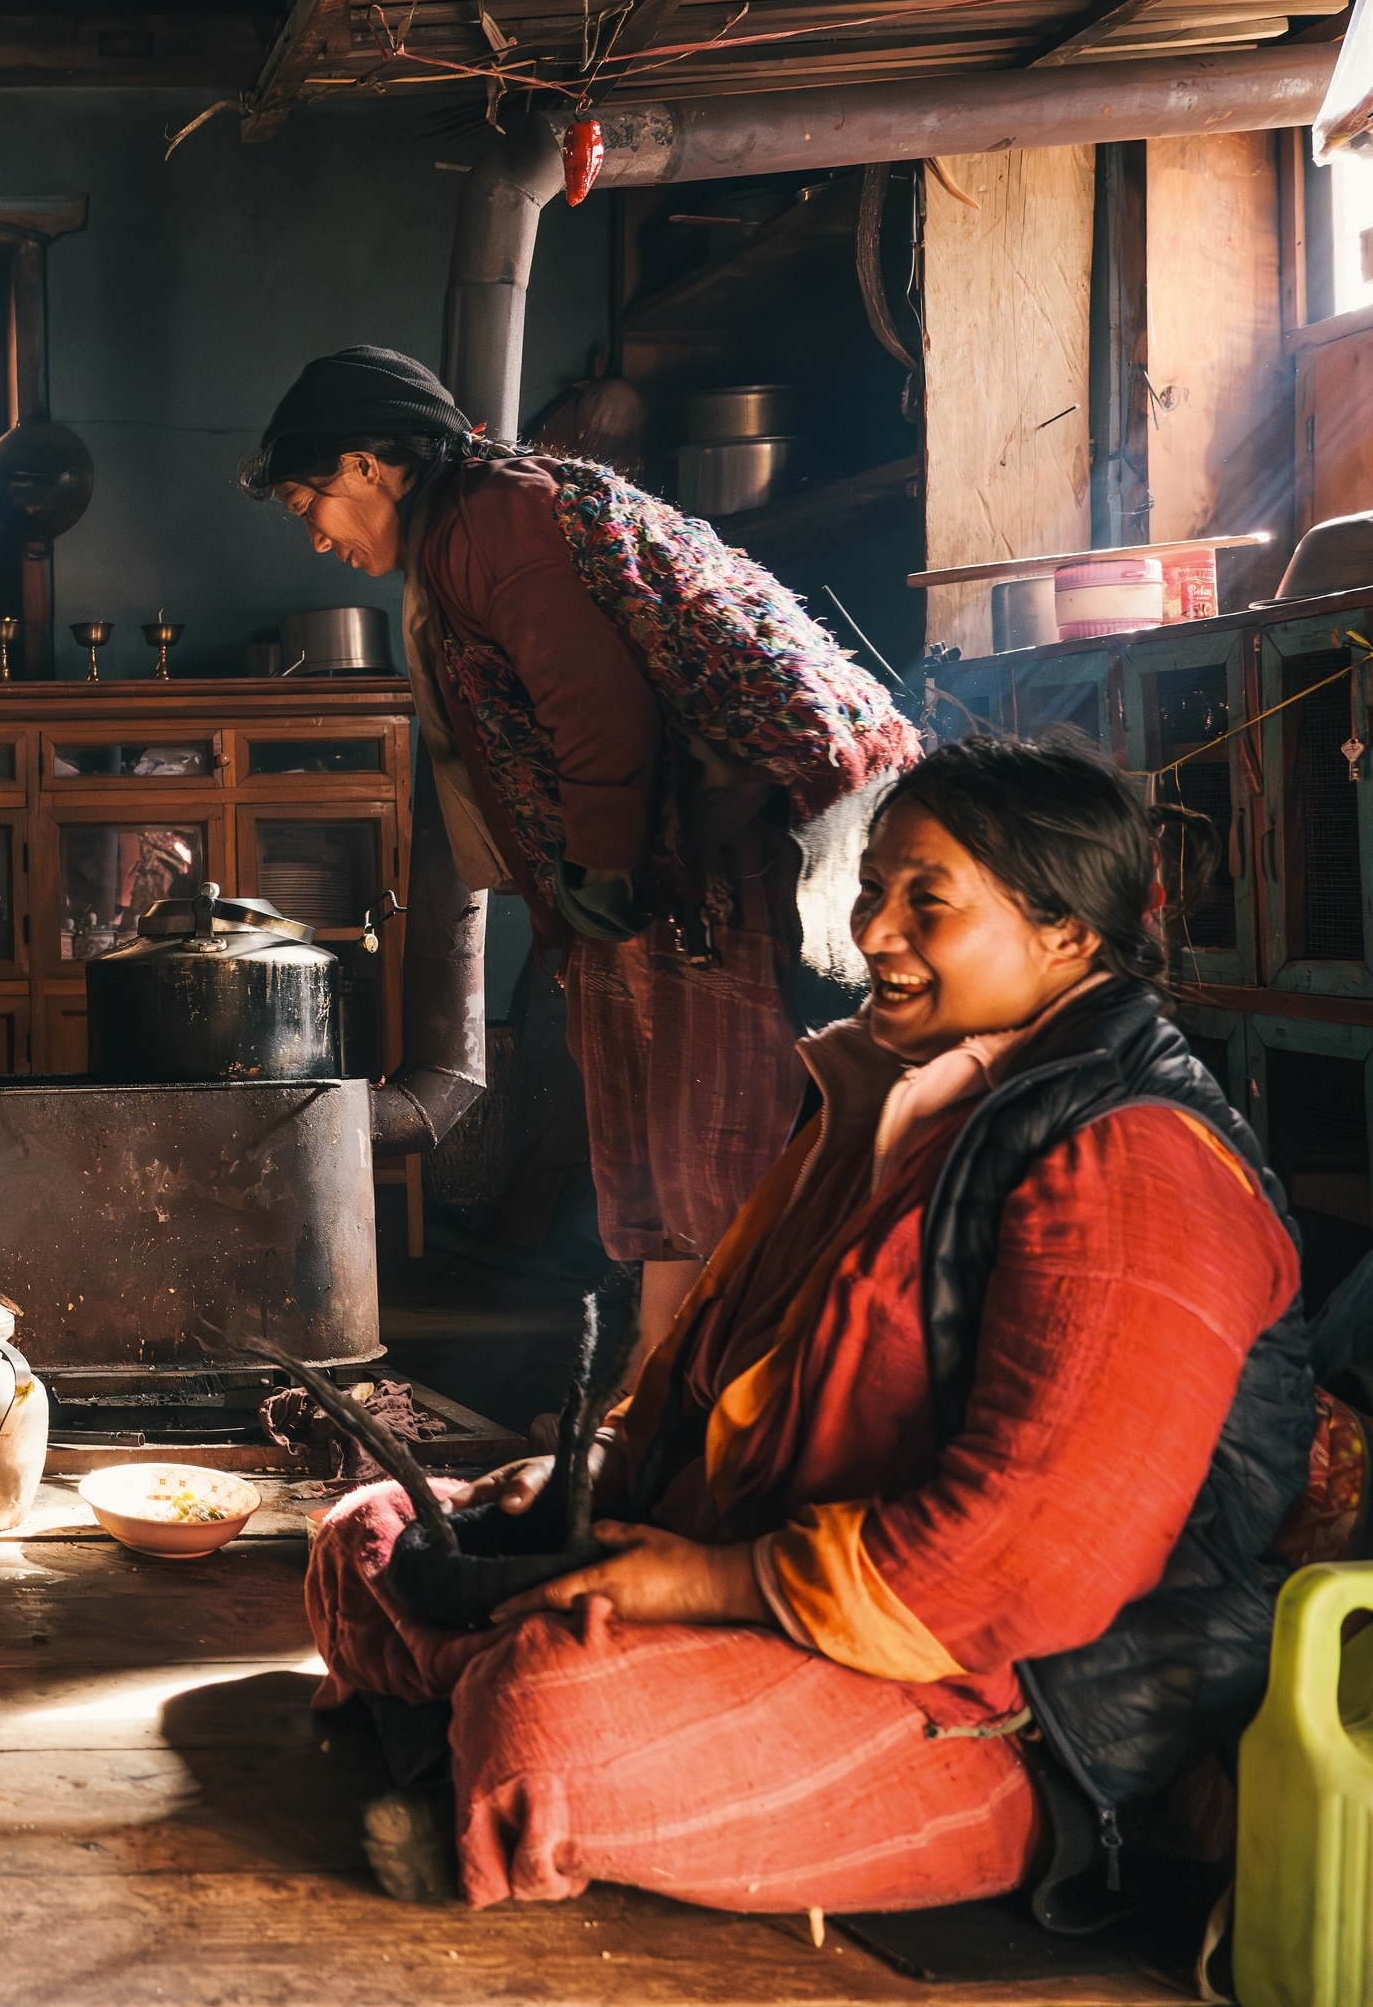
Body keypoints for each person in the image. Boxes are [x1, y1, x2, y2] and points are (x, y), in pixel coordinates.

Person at [306, 734, 1354, 1922]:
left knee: (546, 1711)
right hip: (778, 1579)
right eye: (872, 887)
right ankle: (490, 1683)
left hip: (1016, 1698)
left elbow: (1030, 1564)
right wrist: (591, 1475)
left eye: (929, 902)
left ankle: (481, 1700)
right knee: (369, 1533)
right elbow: (724, 1370)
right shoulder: (890, 1091)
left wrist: (705, 1581)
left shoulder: (1136, 1159)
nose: (874, 933)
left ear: (1069, 937)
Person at [241, 345, 915, 1359]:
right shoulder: (465, 524)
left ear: (371, 465)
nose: (314, 536)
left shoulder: (491, 516)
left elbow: (591, 702)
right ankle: (653, 1393)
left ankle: (730, 1410)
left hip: (725, 834)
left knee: (710, 1144)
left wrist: (604, 867)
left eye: (310, 502)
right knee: (660, 1156)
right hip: (683, 841)